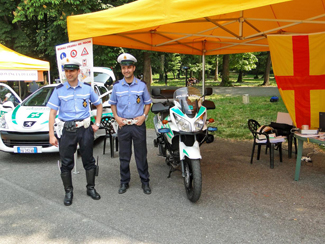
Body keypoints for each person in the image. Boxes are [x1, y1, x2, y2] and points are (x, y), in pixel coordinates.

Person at [47, 58, 103, 206]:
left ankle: (91, 188)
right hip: (67, 130)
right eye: (66, 71)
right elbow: (52, 113)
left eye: (72, 70)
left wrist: (97, 123)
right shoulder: (59, 90)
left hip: (85, 129)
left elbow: (99, 105)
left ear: (78, 72)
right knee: (66, 162)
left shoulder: (87, 89)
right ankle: (68, 192)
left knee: (88, 160)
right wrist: (51, 134)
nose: (69, 73)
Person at [109, 53, 152, 195]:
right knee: (124, 156)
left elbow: (148, 103)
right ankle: (124, 182)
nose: (126, 70)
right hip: (123, 125)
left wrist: (144, 117)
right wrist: (116, 117)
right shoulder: (116, 87)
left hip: (138, 125)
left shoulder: (141, 86)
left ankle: (145, 182)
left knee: (141, 155)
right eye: (123, 68)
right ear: (121, 70)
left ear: (133, 68)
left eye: (128, 67)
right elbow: (113, 104)